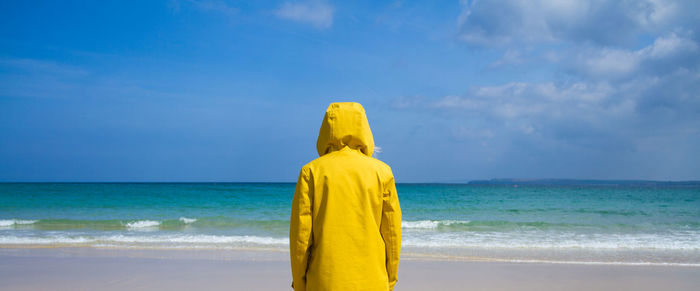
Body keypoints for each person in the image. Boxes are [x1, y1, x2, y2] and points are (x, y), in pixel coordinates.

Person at [290, 102, 402, 291]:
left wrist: (301, 284)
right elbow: (392, 234)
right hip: (373, 281)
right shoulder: (382, 172)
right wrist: (389, 280)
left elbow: (300, 238)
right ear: (364, 129)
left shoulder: (311, 172)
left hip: (323, 282)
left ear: (326, 130)